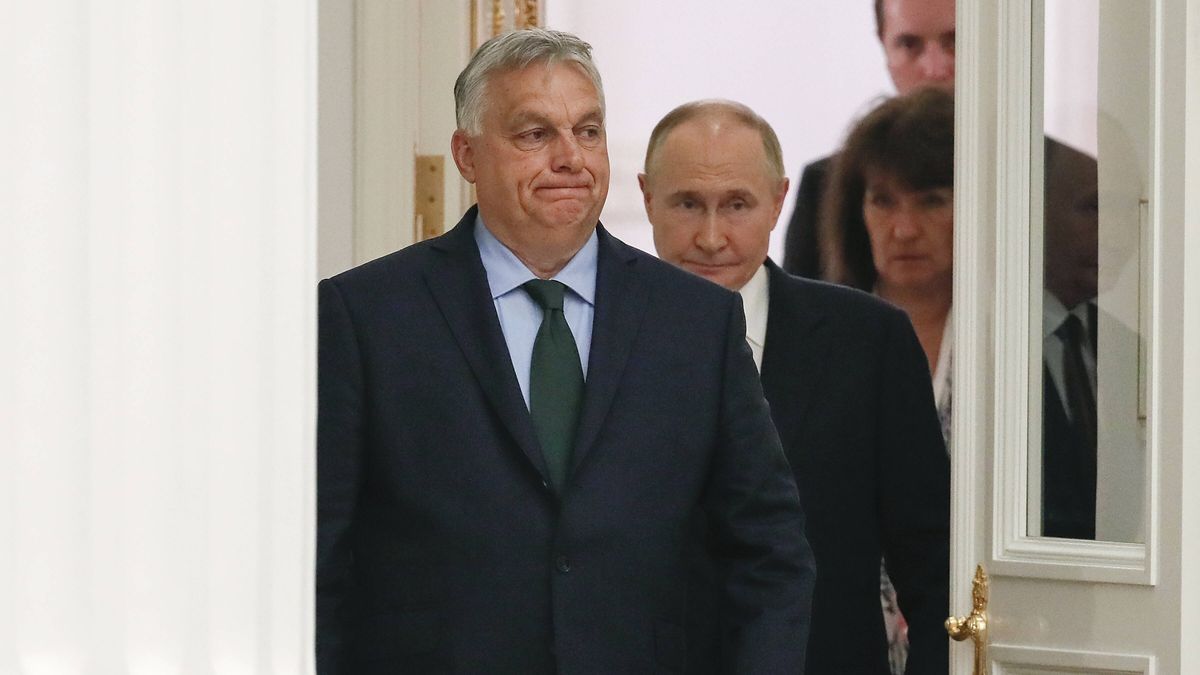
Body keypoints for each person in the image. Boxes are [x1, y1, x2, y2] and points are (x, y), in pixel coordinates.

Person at [317, 29, 816, 674]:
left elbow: (769, 551)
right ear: (466, 154)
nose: (570, 159)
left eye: (588, 132)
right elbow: (321, 559)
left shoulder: (695, 322)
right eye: (533, 134)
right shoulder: (368, 316)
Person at [641, 99, 950, 675]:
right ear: (646, 198)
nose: (711, 237)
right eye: (688, 204)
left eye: (736, 205)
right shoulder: (594, 336)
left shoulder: (869, 342)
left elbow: (933, 566)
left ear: (780, 201)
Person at [819, 87, 954, 673]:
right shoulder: (824, 341)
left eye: (930, 201)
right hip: (838, 641)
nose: (902, 229)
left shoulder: (1015, 350)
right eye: (882, 201)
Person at [783, 0, 955, 279]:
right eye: (910, 45)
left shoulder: (1043, 175)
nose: (934, 70)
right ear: (883, 45)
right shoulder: (825, 185)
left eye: (955, 42)